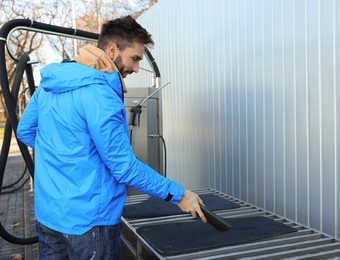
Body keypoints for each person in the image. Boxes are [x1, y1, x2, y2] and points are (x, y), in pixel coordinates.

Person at [17, 15, 206, 260]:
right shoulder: (102, 96)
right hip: (90, 223)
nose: (137, 68)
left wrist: (68, 158)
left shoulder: (49, 87)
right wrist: (179, 194)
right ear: (113, 49)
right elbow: (124, 168)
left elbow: (25, 132)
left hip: (48, 216)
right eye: (135, 58)